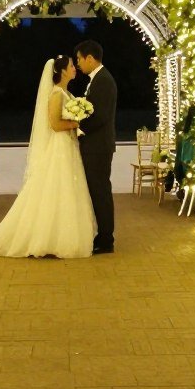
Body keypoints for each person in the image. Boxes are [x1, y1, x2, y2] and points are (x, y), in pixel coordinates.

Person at [0, 56, 96, 258]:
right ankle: (47, 238)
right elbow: (55, 125)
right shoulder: (57, 94)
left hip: (68, 147)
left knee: (66, 189)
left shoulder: (67, 93)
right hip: (60, 148)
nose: (75, 68)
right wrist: (77, 123)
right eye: (71, 66)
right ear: (63, 71)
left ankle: (58, 235)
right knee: (57, 188)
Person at [74, 40, 118, 254]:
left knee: (100, 190)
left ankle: (106, 238)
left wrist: (79, 127)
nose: (79, 64)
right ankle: (103, 235)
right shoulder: (98, 79)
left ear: (90, 58)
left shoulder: (103, 81)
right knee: (98, 190)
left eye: (79, 59)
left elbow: (100, 116)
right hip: (96, 145)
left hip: (98, 147)